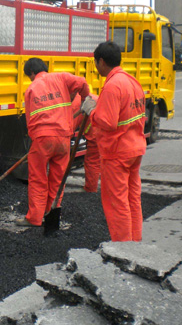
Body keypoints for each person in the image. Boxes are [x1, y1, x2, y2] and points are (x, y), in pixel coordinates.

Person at [81, 41, 146, 242]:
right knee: (132, 199)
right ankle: (135, 242)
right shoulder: (132, 81)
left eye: (95, 62)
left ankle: (123, 248)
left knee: (116, 203)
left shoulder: (112, 85)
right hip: (135, 149)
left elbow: (108, 122)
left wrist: (91, 110)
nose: (95, 66)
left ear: (101, 61)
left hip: (117, 153)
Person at [16, 57, 89, 227]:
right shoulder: (61, 78)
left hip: (42, 139)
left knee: (38, 178)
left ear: (32, 73)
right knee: (57, 178)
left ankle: (34, 218)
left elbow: (30, 121)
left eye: (29, 76)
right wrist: (85, 100)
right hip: (63, 138)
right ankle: (51, 213)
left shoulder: (31, 89)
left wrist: (36, 141)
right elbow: (82, 82)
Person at [72, 92, 101, 193]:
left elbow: (70, 127)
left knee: (92, 161)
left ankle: (91, 189)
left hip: (96, 133)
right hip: (103, 131)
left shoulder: (76, 104)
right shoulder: (89, 97)